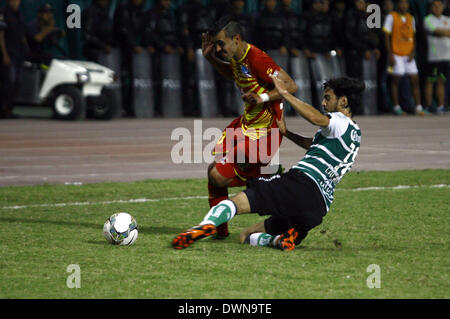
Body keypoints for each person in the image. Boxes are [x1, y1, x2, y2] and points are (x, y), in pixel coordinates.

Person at [172, 76, 363, 251]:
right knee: (247, 235)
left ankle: (206, 225)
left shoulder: (338, 120)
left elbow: (315, 118)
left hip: (301, 184)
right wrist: (287, 133)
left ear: (343, 101)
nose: (323, 103)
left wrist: (284, 94)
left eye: (327, 98)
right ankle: (279, 240)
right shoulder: (355, 133)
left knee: (237, 201)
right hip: (318, 207)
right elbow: (313, 144)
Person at [199, 16, 297, 238]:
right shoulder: (236, 56)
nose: (218, 48)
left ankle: (271, 180)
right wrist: (211, 59)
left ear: (236, 38)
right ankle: (220, 231)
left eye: (220, 43)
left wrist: (261, 98)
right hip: (246, 126)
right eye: (215, 44)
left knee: (218, 176)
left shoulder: (257, 58)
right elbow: (233, 74)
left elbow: (290, 85)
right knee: (212, 173)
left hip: (264, 132)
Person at [383, 0, 425, 115]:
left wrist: (413, 52)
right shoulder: (392, 17)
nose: (404, 5)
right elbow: (387, 36)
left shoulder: (411, 18)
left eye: (406, 3)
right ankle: (396, 107)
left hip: (408, 54)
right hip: (396, 54)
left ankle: (419, 107)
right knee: (396, 80)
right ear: (398, 5)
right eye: (401, 3)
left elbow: (413, 36)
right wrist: (390, 54)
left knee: (415, 80)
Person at [0, 0, 28, 119]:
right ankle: (2, 109)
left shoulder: (19, 14)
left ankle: (9, 110)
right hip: (8, 54)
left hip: (19, 54)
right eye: (13, 0)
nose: (16, 2)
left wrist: (26, 47)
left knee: (18, 82)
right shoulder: (3, 13)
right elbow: (0, 36)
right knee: (8, 83)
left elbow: (21, 34)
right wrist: (4, 54)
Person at [423, 0, 449, 115]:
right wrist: (446, 32)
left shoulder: (447, 19)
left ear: (443, 7)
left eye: (439, 6)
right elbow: (435, 31)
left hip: (446, 57)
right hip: (434, 57)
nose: (437, 8)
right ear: (431, 7)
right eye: (434, 5)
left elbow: (440, 32)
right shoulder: (428, 19)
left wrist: (443, 32)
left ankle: (440, 106)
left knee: (441, 81)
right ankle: (428, 106)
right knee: (430, 81)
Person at [344, 0, 381, 79]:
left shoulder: (367, 17)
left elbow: (370, 35)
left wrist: (374, 48)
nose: (363, 4)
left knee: (369, 80)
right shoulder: (351, 15)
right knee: (355, 80)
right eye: (360, 2)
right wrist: (364, 49)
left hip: (366, 53)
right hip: (354, 54)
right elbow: (349, 37)